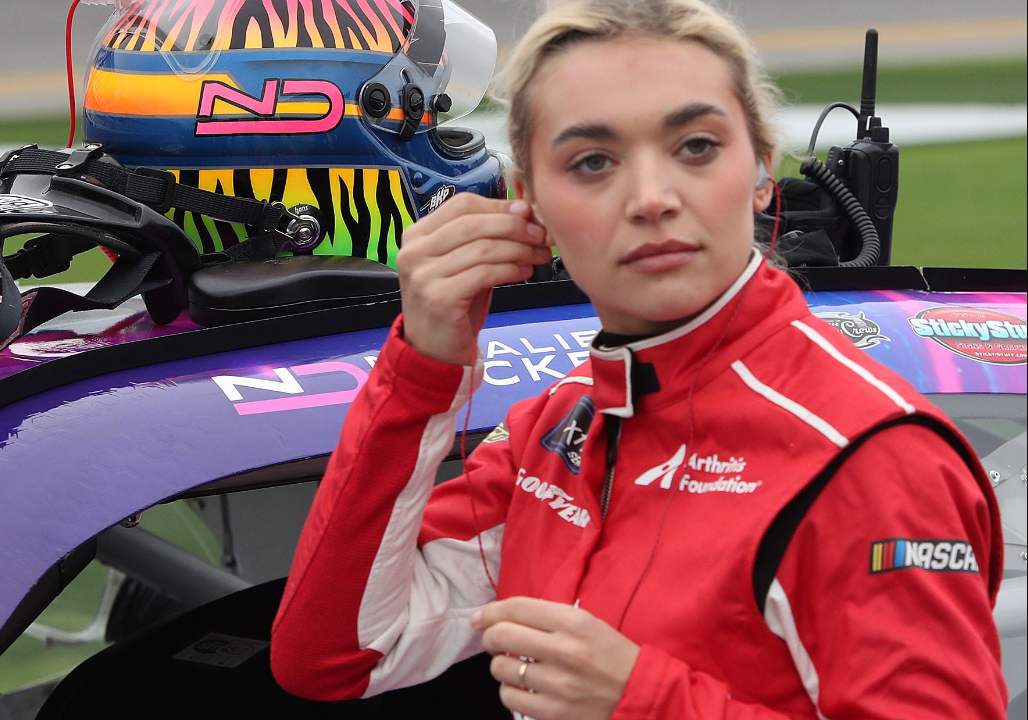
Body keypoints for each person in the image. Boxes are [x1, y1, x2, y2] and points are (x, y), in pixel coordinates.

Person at [270, 0, 1007, 718]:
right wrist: (421, 364)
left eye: (695, 147)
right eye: (593, 161)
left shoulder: (872, 459)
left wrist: (641, 701)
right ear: (530, 205)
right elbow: (337, 655)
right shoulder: (559, 429)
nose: (651, 197)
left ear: (761, 169)